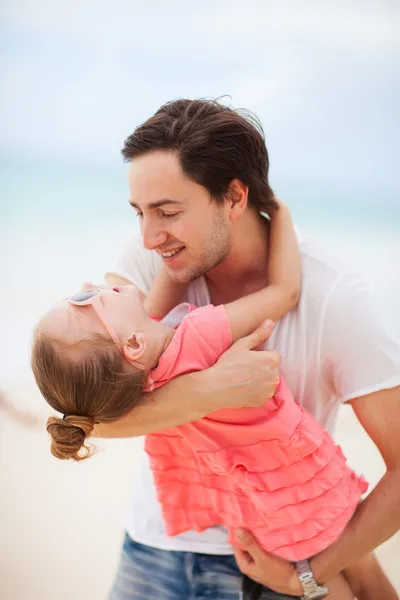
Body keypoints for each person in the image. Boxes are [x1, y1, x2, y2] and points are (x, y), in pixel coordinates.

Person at [42, 99, 400, 598]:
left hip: (276, 562)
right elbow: (91, 411)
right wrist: (210, 391)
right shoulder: (150, 261)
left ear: (234, 197)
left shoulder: (337, 297)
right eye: (140, 213)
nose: (147, 237)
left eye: (167, 212)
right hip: (152, 552)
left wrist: (309, 574)